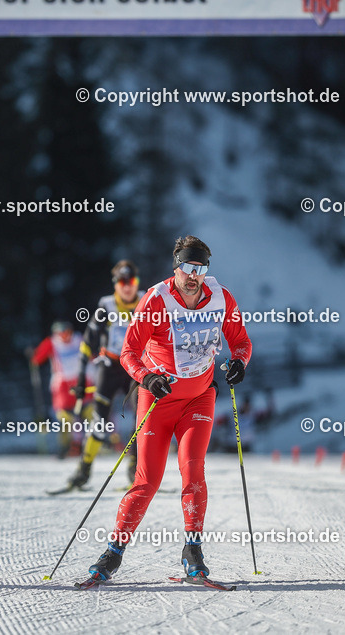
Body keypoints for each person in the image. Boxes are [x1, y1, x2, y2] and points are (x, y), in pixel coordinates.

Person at [86, 236, 252, 581]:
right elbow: (128, 352)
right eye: (188, 268)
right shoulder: (156, 300)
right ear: (176, 268)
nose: (195, 275)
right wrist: (146, 378)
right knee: (147, 479)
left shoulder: (221, 297)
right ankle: (113, 553)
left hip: (199, 397)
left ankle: (193, 550)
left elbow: (240, 340)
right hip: (158, 400)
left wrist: (239, 361)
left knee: (193, 471)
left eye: (201, 268)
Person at [62, 260, 145, 491]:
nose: (127, 287)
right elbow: (88, 343)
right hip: (109, 367)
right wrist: (80, 377)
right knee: (99, 424)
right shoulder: (106, 305)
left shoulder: (148, 301)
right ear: (115, 284)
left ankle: (135, 469)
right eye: (122, 282)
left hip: (136, 368)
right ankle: (83, 470)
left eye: (131, 282)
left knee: (142, 421)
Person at [29, 321, 83, 458]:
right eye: (61, 334)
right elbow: (37, 359)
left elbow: (92, 352)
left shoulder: (79, 339)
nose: (64, 337)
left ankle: (80, 445)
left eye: (67, 333)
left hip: (80, 381)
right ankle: (65, 446)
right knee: (65, 417)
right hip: (61, 384)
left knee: (83, 413)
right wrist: (33, 355)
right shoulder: (52, 342)